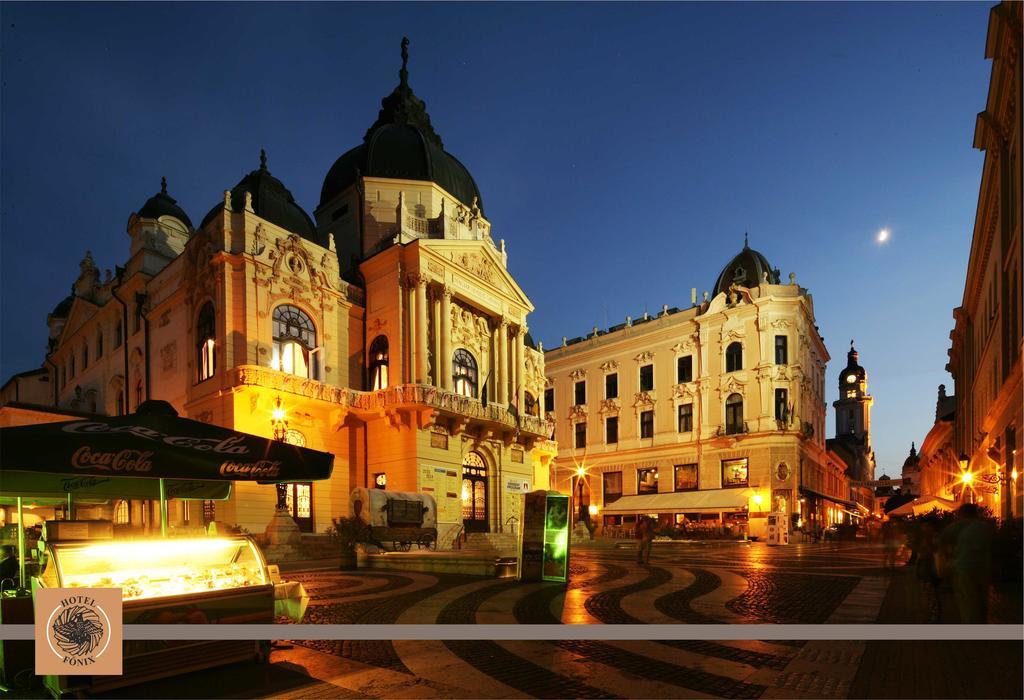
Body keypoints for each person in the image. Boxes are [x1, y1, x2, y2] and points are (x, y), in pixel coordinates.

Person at [940, 503, 994, 623]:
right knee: (982, 598)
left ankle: (971, 628)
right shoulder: (985, 527)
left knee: (967, 599)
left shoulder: (955, 527)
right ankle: (982, 623)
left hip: (963, 566)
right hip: (983, 566)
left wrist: (949, 556)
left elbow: (942, 541)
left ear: (961, 514)